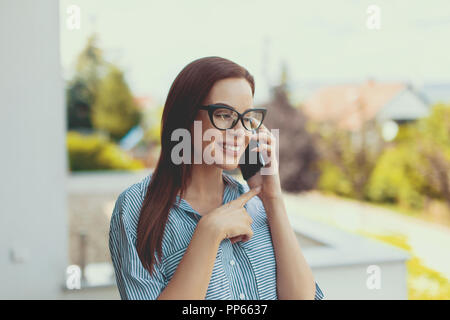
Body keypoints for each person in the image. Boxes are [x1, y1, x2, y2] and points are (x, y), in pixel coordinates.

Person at [109, 56, 325, 300]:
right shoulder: (135, 209)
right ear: (186, 116)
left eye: (246, 119)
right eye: (224, 115)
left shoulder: (257, 203)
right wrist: (209, 232)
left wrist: (273, 198)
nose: (240, 133)